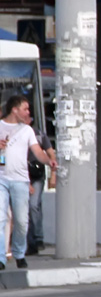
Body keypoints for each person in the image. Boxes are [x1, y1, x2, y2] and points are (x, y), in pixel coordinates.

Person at [0, 96, 57, 270]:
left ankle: (19, 253)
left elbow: (38, 152)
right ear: (14, 110)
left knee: (22, 220)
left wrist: (49, 161)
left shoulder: (27, 131)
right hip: (1, 178)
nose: (28, 113)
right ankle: (1, 258)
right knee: (1, 219)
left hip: (21, 180)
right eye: (25, 109)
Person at [25, 126, 55, 256]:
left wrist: (53, 174)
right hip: (20, 176)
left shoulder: (39, 135)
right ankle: (29, 242)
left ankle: (37, 239)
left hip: (36, 175)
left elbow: (49, 154)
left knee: (33, 205)